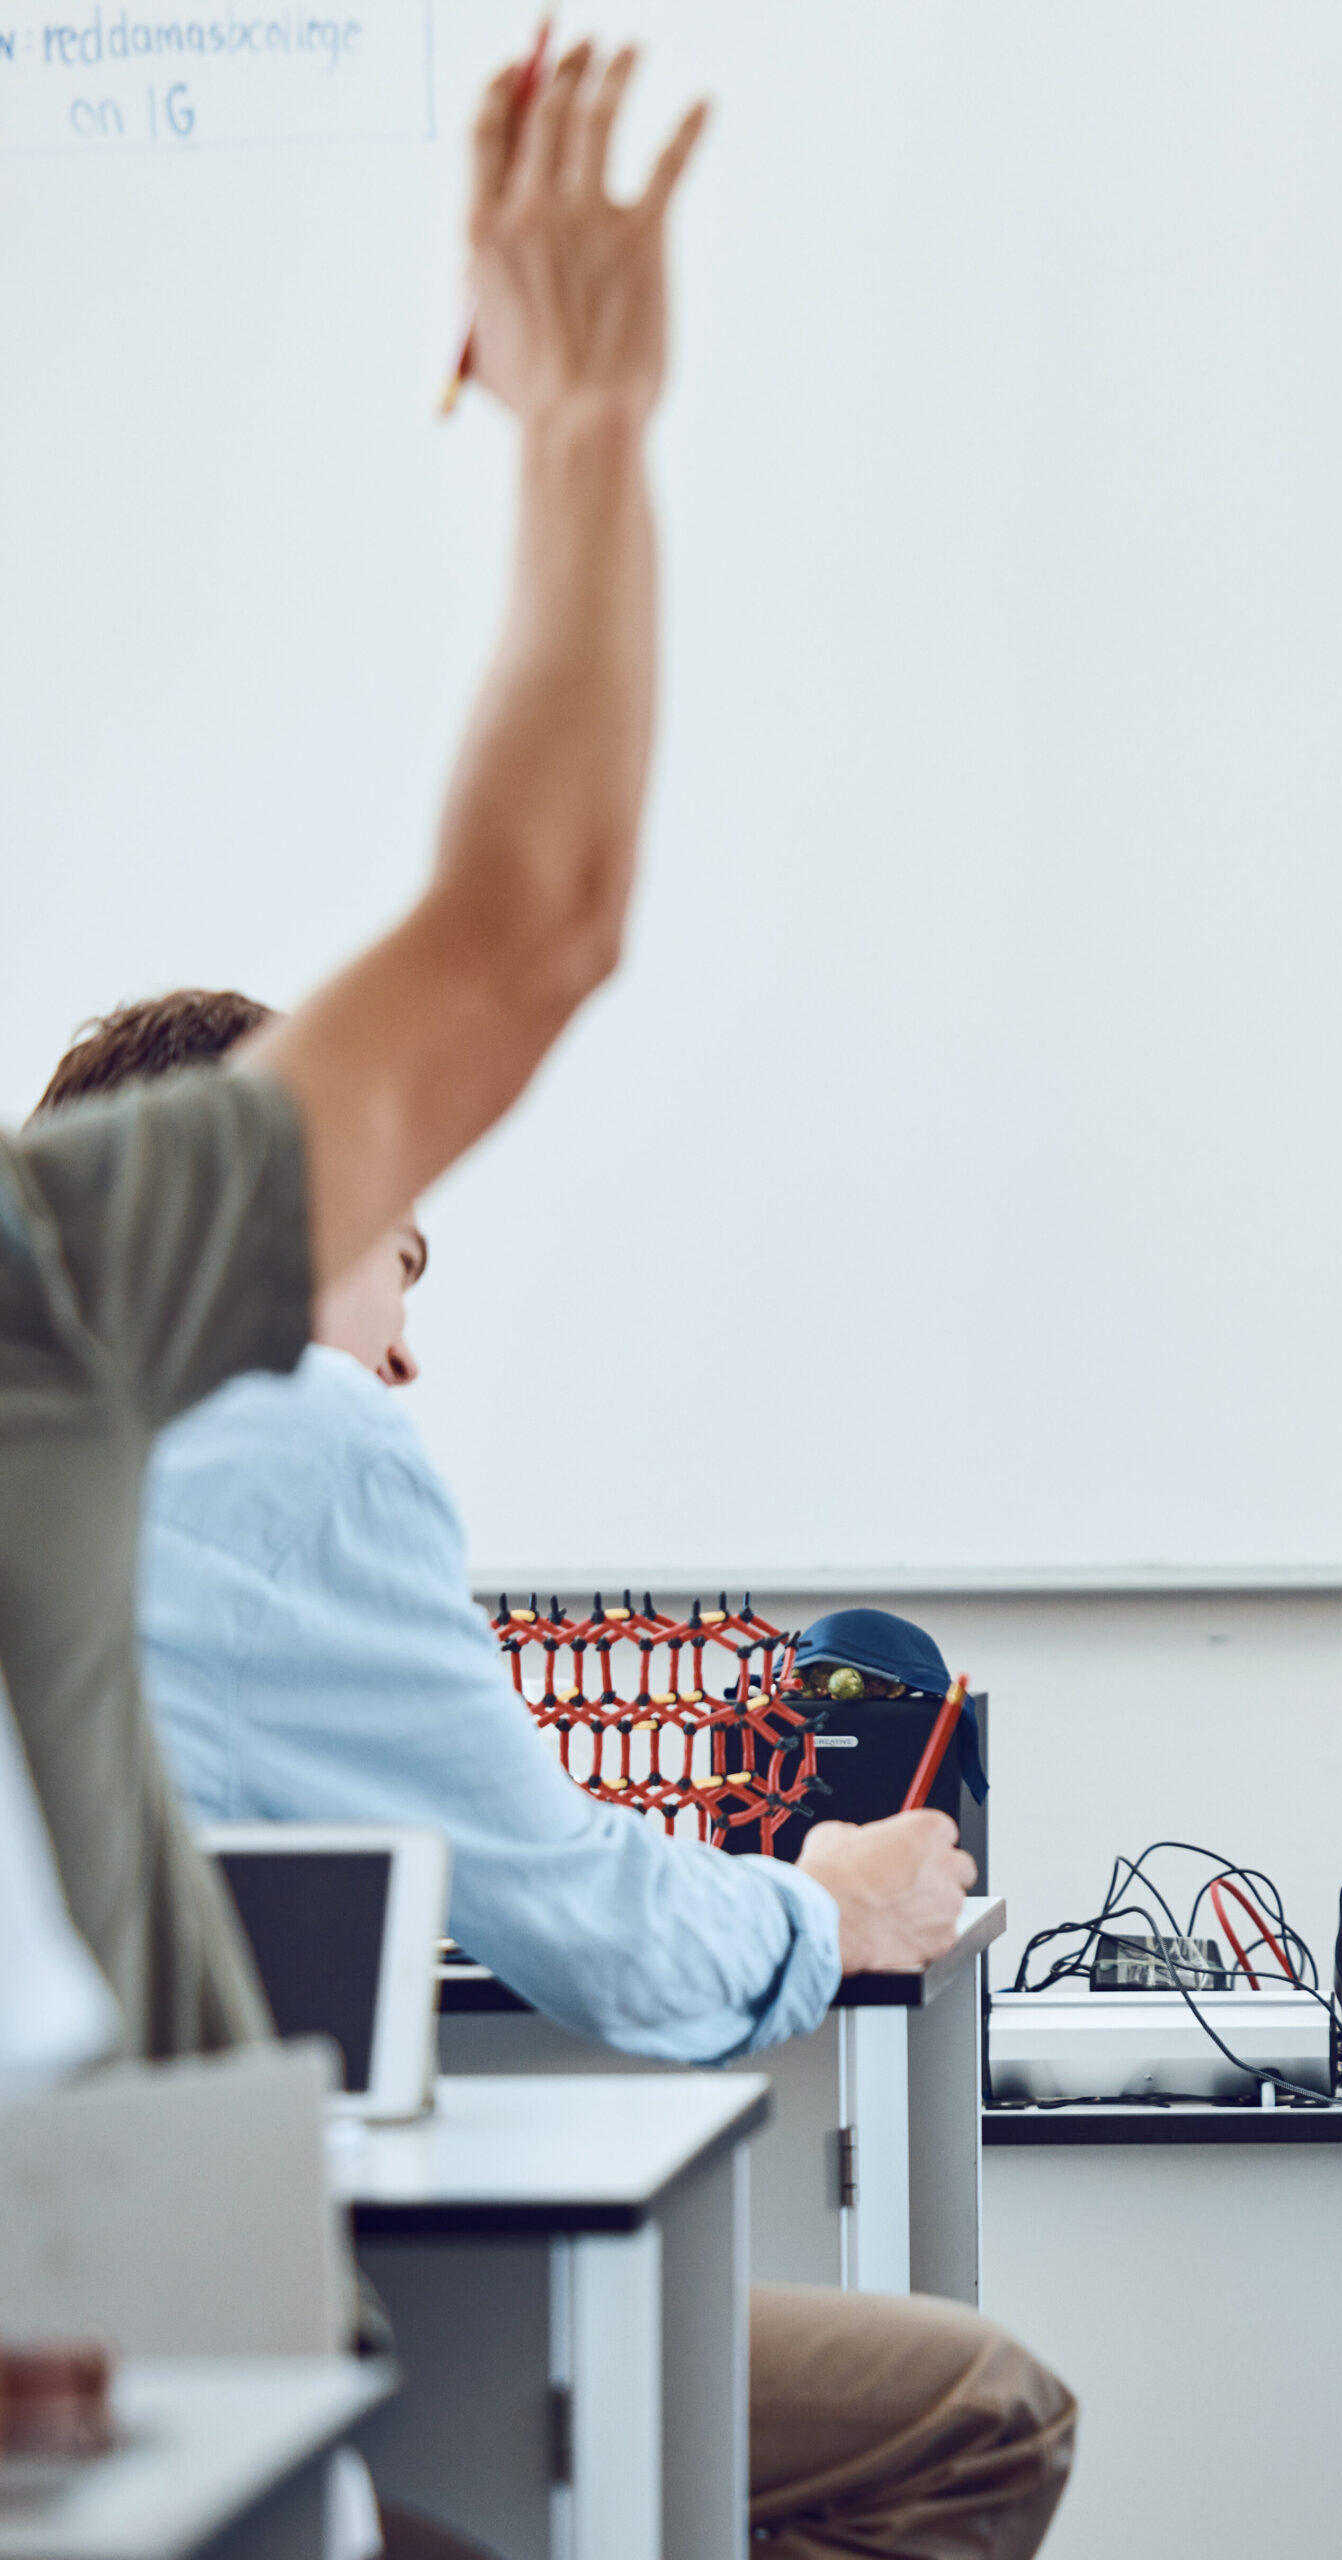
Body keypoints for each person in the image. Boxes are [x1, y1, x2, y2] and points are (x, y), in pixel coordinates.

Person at [39, 991, 1078, 2560]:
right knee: (986, 2410)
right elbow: (601, 1934)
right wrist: (828, 1900)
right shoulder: (284, 1423)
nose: (402, 1354)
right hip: (163, 2357)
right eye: (400, 1259)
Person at [0, 34, 706, 2061]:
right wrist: (583, 413)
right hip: (108, 2310)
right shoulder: (61, 1281)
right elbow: (535, 915)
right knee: (962, 2388)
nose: (400, 1337)